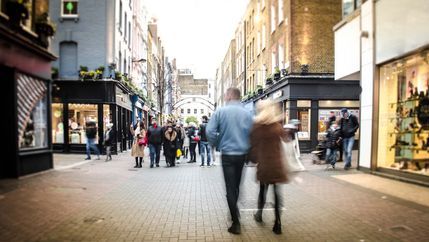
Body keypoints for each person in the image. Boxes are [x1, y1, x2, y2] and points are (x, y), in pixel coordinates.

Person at [206, 87, 253, 235]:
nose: (225, 97)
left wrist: (216, 144)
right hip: (242, 155)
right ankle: (235, 211)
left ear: (231, 96)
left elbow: (209, 131)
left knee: (230, 188)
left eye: (226, 94)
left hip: (227, 154)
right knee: (237, 186)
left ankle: (235, 222)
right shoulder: (248, 113)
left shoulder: (220, 112)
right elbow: (253, 133)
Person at [249, 100, 288, 235]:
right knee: (277, 193)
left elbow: (252, 146)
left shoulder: (257, 126)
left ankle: (259, 214)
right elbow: (286, 140)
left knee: (263, 190)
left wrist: (253, 159)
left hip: (264, 164)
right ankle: (278, 223)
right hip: (277, 164)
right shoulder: (277, 126)